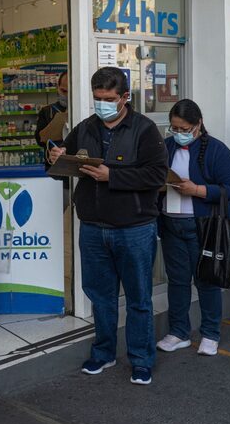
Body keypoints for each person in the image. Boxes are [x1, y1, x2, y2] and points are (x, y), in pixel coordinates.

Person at [48, 66, 167, 385]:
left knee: (139, 298)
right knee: (100, 296)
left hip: (134, 228)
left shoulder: (145, 130)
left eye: (109, 99)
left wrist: (112, 176)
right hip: (93, 227)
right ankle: (103, 353)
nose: (102, 104)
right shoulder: (86, 128)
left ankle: (141, 359)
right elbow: (68, 160)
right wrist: (59, 155)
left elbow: (157, 176)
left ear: (125, 97)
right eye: (97, 98)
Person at [155, 100, 230, 357]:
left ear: (198, 124)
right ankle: (179, 331)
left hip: (203, 225)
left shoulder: (217, 150)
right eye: (174, 128)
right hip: (171, 224)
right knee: (177, 281)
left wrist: (198, 191)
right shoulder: (166, 147)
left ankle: (210, 333)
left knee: (206, 281)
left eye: (184, 128)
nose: (178, 133)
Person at [35, 71, 69, 148]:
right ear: (57, 88)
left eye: (70, 92)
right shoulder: (47, 111)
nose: (66, 95)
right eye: (63, 91)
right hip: (53, 157)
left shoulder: (82, 110)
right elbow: (39, 140)